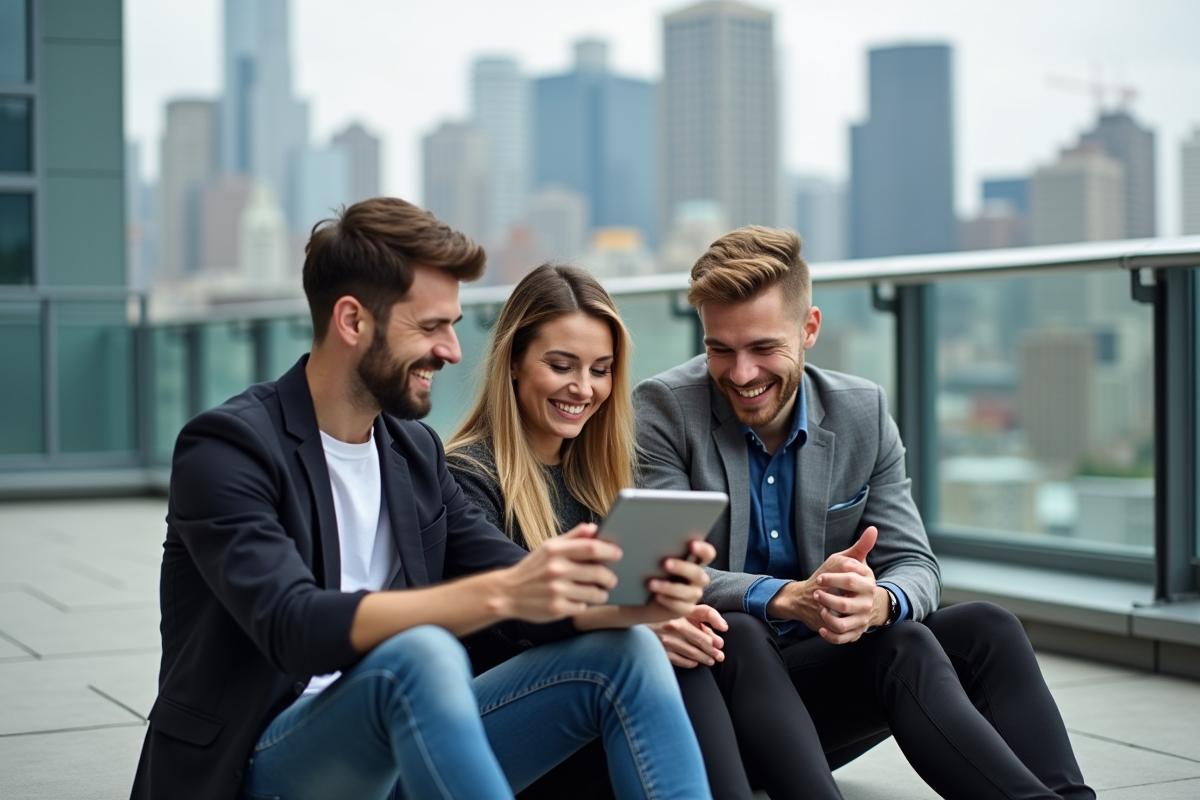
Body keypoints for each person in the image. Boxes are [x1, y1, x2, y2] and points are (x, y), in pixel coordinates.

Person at [130, 198, 717, 800]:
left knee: (627, 654)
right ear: (353, 321)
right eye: (430, 327)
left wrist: (636, 606)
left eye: (454, 325)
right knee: (422, 654)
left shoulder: (413, 453)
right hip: (260, 767)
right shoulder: (227, 447)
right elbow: (291, 624)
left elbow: (517, 582)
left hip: (404, 746)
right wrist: (505, 592)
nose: (453, 351)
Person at [632, 225, 1096, 800]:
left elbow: (915, 563)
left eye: (763, 348)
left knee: (986, 627)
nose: (741, 374)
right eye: (719, 349)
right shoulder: (663, 410)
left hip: (819, 692)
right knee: (897, 646)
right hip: (724, 699)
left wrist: (880, 602)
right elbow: (661, 574)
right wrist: (782, 596)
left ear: (809, 330)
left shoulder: (863, 412)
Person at [445, 263, 757, 799]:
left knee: (725, 635)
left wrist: (669, 613)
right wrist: (637, 625)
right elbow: (514, 620)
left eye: (601, 369)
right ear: (514, 361)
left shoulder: (601, 482)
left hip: (606, 704)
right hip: (512, 726)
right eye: (562, 365)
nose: (583, 389)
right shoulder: (464, 477)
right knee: (653, 649)